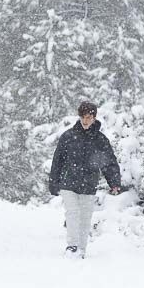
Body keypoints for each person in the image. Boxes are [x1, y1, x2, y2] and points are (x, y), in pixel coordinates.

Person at [48, 101, 121, 258]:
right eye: (83, 117)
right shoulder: (68, 136)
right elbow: (57, 160)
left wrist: (114, 183)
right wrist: (54, 182)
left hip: (88, 184)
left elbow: (109, 162)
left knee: (85, 216)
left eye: (88, 117)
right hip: (68, 183)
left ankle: (81, 248)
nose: (85, 121)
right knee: (72, 213)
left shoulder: (100, 140)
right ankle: (72, 246)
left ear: (94, 117)